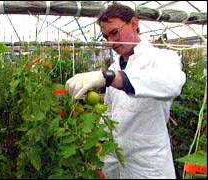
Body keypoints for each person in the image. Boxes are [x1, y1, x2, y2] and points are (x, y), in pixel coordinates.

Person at [65, 3, 186, 179]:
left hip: (149, 165)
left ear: (135, 24)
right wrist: (101, 158)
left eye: (115, 32)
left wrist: (109, 77)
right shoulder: (115, 66)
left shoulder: (162, 58)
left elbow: (172, 84)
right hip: (116, 160)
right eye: (106, 36)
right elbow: (110, 113)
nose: (111, 42)